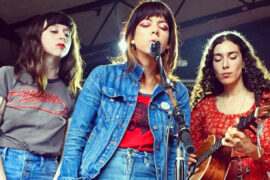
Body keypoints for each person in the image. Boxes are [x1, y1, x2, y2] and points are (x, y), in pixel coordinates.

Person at [58, 0, 191, 179]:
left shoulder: (177, 92)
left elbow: (177, 149)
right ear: (132, 38)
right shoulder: (103, 76)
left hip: (151, 172)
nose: (155, 30)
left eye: (163, 27)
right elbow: (77, 134)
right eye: (145, 24)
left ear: (168, 44)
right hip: (103, 170)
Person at [0, 11, 83, 179]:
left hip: (47, 170)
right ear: (36, 37)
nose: (62, 37)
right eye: (54, 31)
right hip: (6, 162)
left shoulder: (73, 93)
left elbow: (70, 148)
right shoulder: (8, 75)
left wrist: (60, 175)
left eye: (67, 34)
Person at [189, 30, 270, 179]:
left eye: (232, 57)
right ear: (212, 66)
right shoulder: (203, 107)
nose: (225, 65)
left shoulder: (265, 101)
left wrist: (252, 150)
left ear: (244, 61)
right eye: (218, 59)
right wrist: (188, 161)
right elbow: (193, 157)